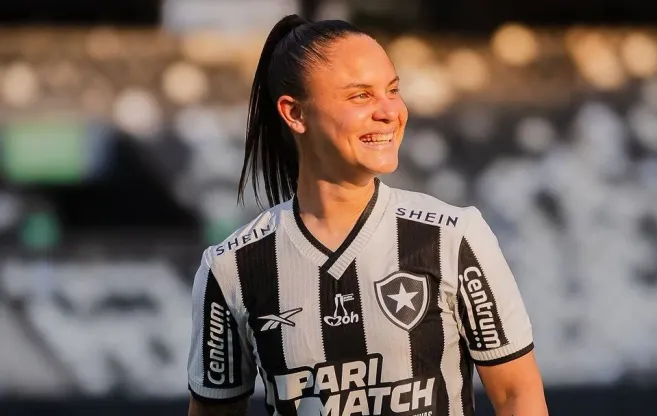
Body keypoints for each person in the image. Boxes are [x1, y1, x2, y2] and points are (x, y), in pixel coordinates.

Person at [187, 14, 549, 416]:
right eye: (360, 96)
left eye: (393, 90)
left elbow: (518, 395)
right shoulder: (230, 267)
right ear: (295, 113)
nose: (389, 111)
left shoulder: (452, 237)